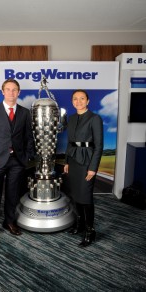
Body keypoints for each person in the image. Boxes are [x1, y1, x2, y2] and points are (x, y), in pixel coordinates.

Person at [0, 78, 35, 248]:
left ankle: (9, 222)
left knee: (13, 195)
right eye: (8, 89)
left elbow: (28, 137)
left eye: (14, 90)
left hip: (17, 161)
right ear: (2, 92)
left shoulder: (25, 113)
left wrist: (27, 157)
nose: (11, 93)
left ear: (19, 92)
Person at [64, 89, 103, 247]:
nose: (78, 101)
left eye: (81, 98)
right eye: (75, 99)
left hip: (87, 161)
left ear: (88, 101)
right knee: (75, 195)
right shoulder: (72, 118)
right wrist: (66, 161)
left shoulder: (94, 118)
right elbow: (69, 142)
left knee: (85, 197)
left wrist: (93, 168)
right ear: (72, 101)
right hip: (73, 160)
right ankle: (79, 224)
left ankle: (90, 230)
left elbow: (99, 146)